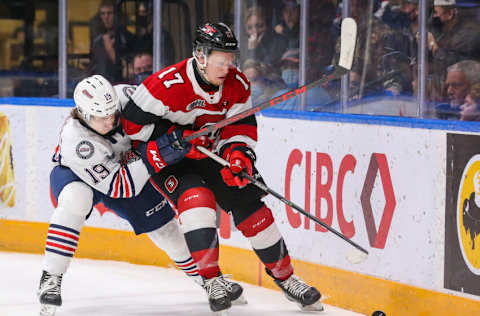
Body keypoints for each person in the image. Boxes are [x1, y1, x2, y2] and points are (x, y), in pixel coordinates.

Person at [121, 22, 323, 314]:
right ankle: (212, 280)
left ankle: (286, 278)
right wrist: (170, 142)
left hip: (211, 153)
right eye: (221, 59)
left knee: (251, 207)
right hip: (172, 161)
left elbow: (240, 126)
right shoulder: (163, 87)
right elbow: (133, 131)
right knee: (197, 203)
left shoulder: (237, 83)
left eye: (231, 59)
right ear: (201, 56)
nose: (228, 66)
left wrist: (238, 155)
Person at [36, 75, 242, 315]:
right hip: (81, 176)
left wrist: (183, 131)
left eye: (112, 113)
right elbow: (121, 187)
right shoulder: (77, 141)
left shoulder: (126, 96)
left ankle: (208, 280)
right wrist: (161, 151)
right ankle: (51, 277)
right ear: (82, 113)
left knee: (167, 230)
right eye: (101, 117)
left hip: (126, 168)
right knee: (75, 199)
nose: (110, 120)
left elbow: (164, 111)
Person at [89, 0, 135, 83]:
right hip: (100, 84)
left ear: (117, 16)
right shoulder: (97, 40)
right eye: (103, 14)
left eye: (109, 13)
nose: (106, 17)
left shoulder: (127, 38)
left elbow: (127, 70)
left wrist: (110, 49)